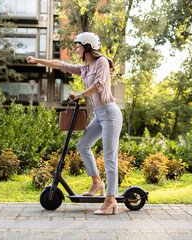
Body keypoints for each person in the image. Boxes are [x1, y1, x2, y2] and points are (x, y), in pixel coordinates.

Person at [27, 32, 123, 215]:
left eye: (78, 46)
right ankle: (97, 182)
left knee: (110, 157)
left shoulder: (100, 62)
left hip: (110, 113)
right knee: (83, 145)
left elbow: (100, 85)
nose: (76, 49)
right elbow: (61, 65)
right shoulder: (85, 68)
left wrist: (80, 94)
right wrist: (37, 60)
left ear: (87, 46)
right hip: (99, 115)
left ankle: (110, 199)